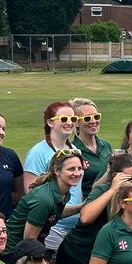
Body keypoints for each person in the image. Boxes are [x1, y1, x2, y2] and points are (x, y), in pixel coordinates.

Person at [24, 102, 84, 250]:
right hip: (51, 227)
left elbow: (78, 189)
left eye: (73, 119)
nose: (69, 123)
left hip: (75, 226)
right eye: (64, 119)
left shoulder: (75, 150)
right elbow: (31, 195)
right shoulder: (38, 153)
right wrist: (79, 208)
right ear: (50, 122)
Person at [5, 150, 84, 258]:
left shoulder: (63, 192)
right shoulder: (44, 200)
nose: (77, 173)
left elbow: (54, 212)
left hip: (32, 247)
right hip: (14, 253)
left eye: (79, 168)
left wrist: (80, 207)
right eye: (71, 169)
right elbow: (29, 241)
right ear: (57, 171)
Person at [71, 99, 113, 187]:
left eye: (96, 117)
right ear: (76, 123)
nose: (93, 121)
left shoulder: (106, 146)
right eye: (87, 118)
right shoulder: (72, 151)